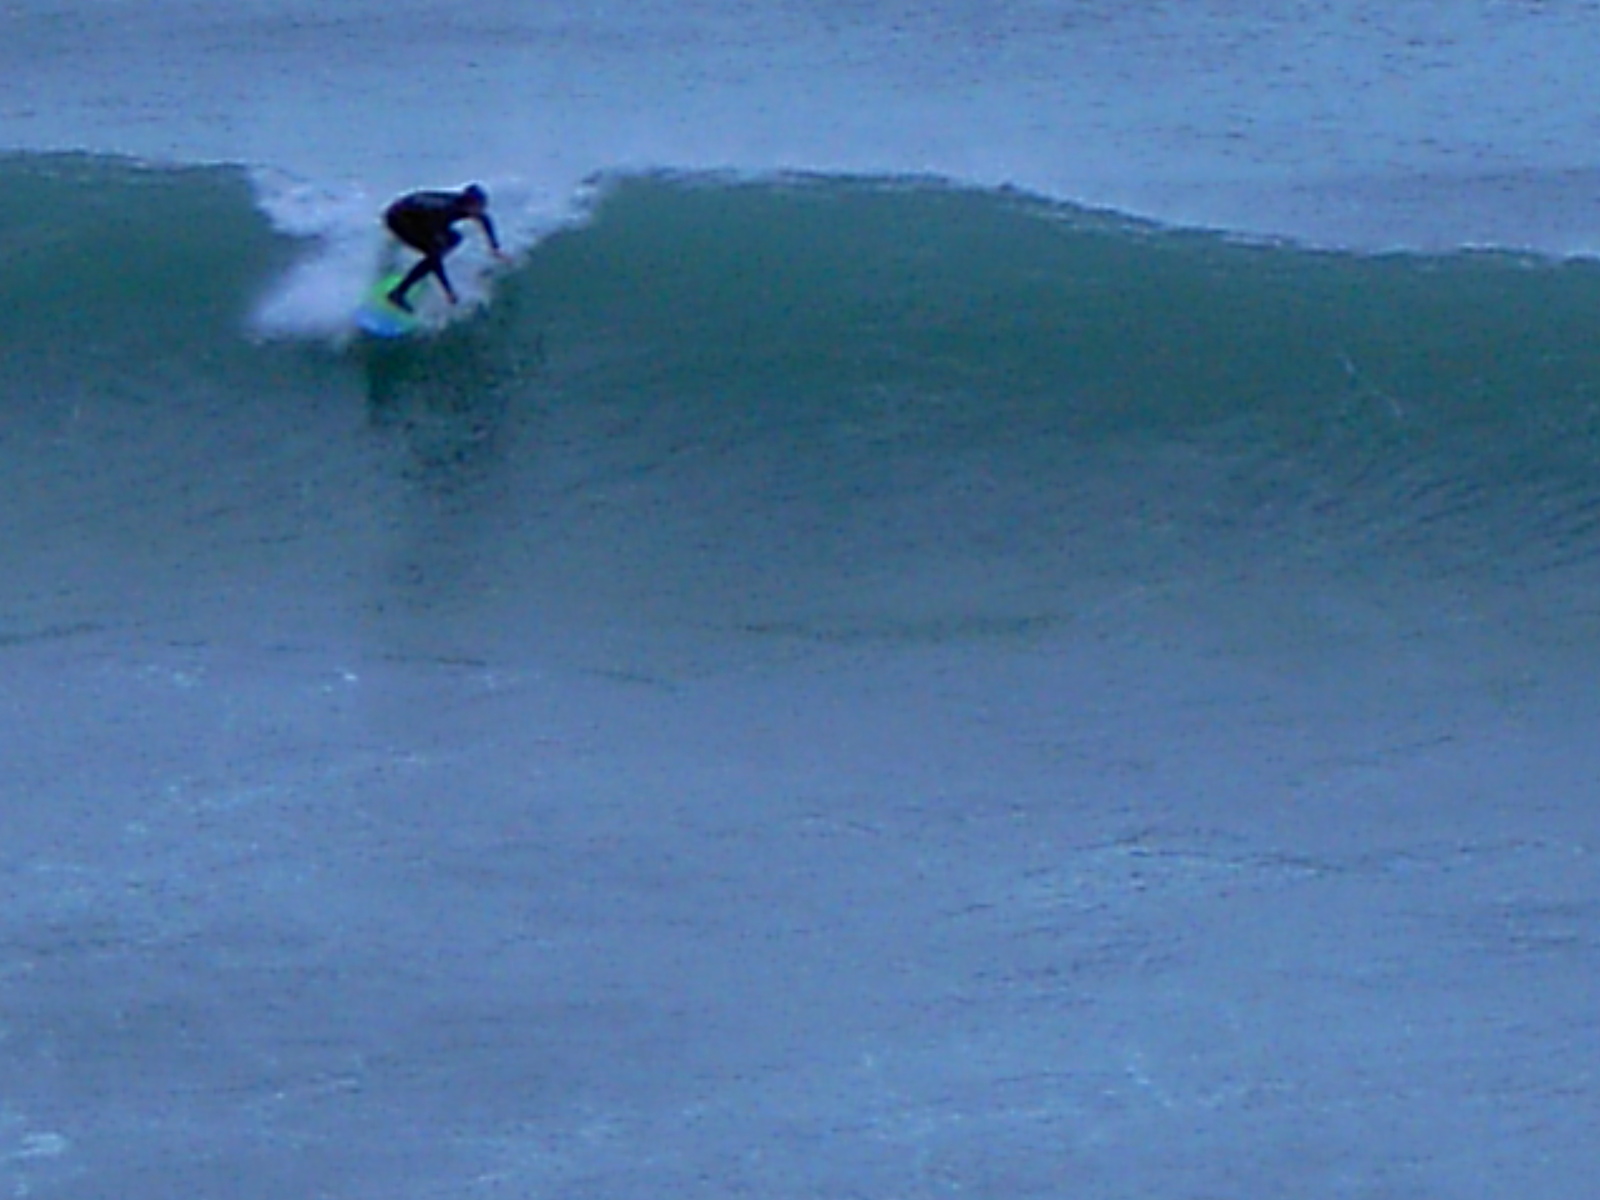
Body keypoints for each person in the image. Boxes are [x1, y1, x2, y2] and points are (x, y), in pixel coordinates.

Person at [383, 184, 506, 312]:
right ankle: (398, 293)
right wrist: (448, 290)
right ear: (469, 205)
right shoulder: (443, 212)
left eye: (482, 206)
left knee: (454, 239)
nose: (481, 210)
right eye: (479, 207)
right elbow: (435, 259)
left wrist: (495, 248)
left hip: (415, 213)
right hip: (398, 218)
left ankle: (409, 280)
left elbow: (484, 219)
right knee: (433, 255)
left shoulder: (465, 206)